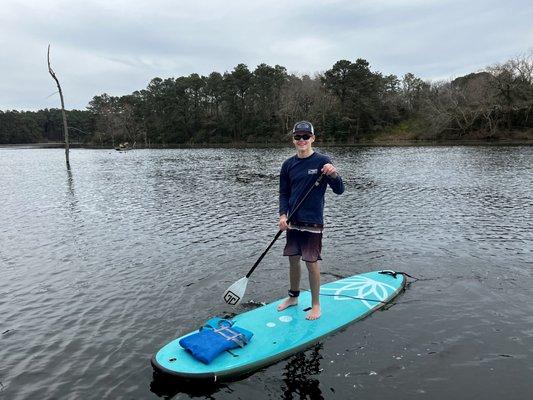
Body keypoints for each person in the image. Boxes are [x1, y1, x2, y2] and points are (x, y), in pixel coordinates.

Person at [277, 121, 345, 320]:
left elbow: (340, 190)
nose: (302, 140)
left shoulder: (322, 161)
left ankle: (316, 304)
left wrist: (334, 175)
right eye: (298, 137)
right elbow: (284, 193)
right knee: (293, 260)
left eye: (306, 137)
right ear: (293, 140)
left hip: (313, 221)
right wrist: (283, 215)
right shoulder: (288, 164)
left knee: (311, 262)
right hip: (292, 221)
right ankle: (293, 297)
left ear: (313, 138)